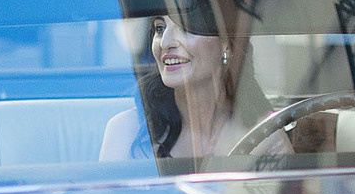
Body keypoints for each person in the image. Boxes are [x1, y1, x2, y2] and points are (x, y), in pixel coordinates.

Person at [99, 13, 252, 161]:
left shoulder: (262, 131)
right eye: (160, 29)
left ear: (226, 43)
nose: (165, 43)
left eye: (185, 27)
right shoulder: (126, 131)